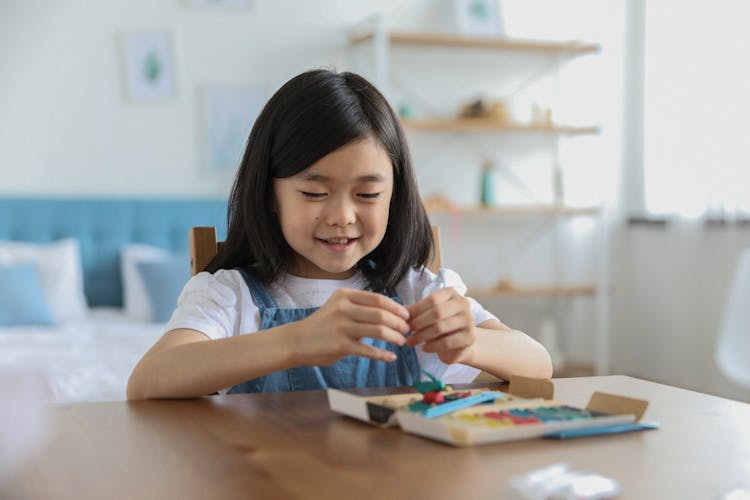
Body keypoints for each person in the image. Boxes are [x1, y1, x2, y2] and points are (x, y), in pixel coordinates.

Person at [126, 69, 552, 400]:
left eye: (367, 193)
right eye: (314, 192)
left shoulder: (415, 288)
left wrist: (470, 342)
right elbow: (148, 381)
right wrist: (295, 341)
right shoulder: (231, 296)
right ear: (270, 194)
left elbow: (538, 364)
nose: (342, 216)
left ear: (394, 196)